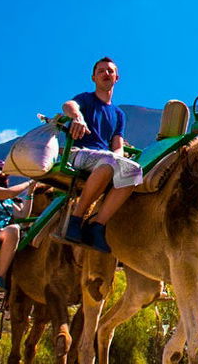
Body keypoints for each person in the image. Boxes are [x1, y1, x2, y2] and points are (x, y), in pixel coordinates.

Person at [62, 57, 143, 253]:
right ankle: (76, 219)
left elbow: (117, 145)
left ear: (117, 77)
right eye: (101, 71)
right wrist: (78, 117)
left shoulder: (119, 114)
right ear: (93, 77)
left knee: (135, 171)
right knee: (108, 162)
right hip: (79, 154)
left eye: (110, 71)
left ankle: (98, 225)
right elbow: (68, 105)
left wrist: (121, 160)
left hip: (105, 158)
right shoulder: (86, 99)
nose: (106, 74)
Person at [0, 159, 35, 292]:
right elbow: (8, 193)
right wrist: (29, 182)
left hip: (1, 231)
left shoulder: (9, 201)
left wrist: (30, 194)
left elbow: (22, 216)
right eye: (0, 170)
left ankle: (0, 277)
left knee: (14, 229)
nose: (4, 174)